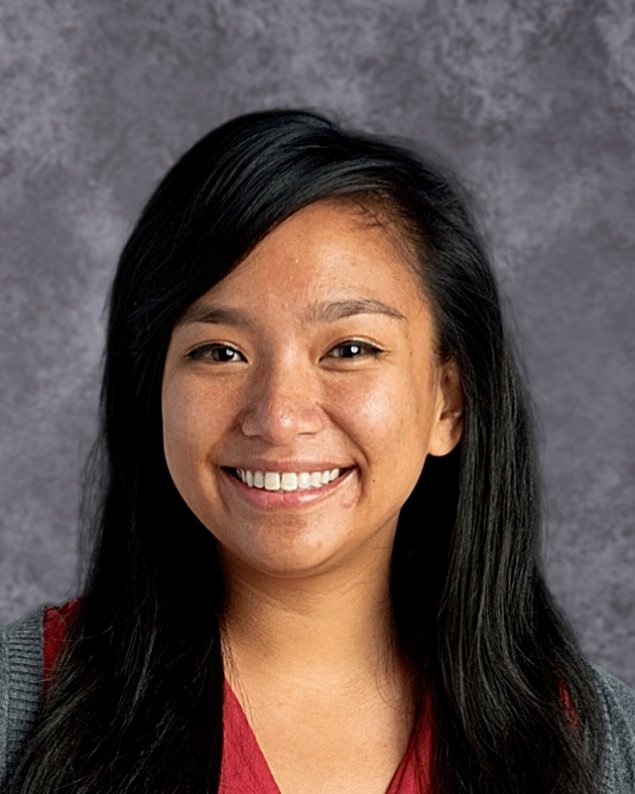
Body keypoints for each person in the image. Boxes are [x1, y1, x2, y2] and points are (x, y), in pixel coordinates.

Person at [1, 109, 633, 794]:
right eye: (220, 352)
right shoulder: (22, 708)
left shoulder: (594, 741)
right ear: (152, 391)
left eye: (349, 349)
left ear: (447, 404)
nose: (278, 417)